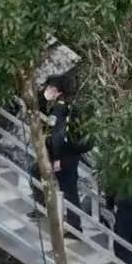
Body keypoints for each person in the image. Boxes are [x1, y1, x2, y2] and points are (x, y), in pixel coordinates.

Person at [39, 75, 92, 228]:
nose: (46, 91)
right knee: (39, 173)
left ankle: (75, 226)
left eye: (49, 88)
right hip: (70, 154)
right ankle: (66, 220)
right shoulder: (69, 106)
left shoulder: (60, 109)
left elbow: (58, 137)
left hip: (63, 156)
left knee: (68, 191)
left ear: (56, 90)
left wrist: (56, 158)